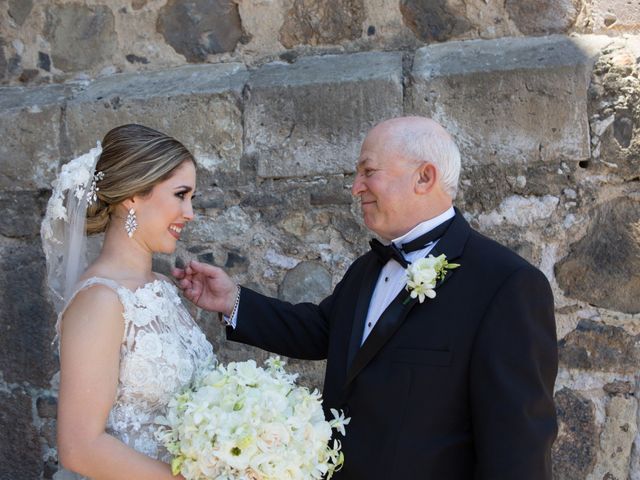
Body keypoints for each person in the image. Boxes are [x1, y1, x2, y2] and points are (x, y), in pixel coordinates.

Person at [174, 116, 558, 479]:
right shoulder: (367, 268)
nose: (356, 186)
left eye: (368, 172)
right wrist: (233, 300)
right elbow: (323, 330)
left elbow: (518, 446)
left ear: (424, 177)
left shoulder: (506, 285)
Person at [41, 124, 215, 479]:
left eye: (191, 198)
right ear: (133, 195)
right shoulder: (100, 301)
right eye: (181, 194)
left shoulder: (163, 287)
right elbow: (79, 447)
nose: (190, 212)